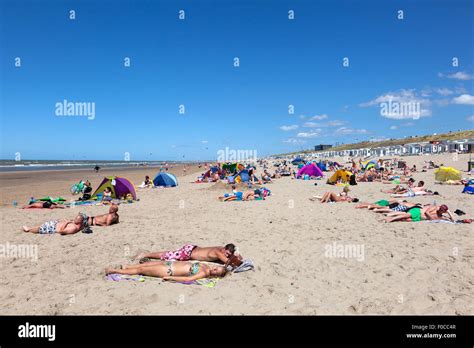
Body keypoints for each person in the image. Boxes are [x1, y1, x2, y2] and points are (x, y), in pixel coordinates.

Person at [105, 261, 227, 282]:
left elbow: (188, 279)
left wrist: (171, 278)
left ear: (216, 275)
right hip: (170, 264)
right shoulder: (206, 266)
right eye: (217, 267)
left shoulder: (204, 273)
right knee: (146, 264)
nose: (214, 269)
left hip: (169, 270)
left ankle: (114, 270)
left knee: (141, 270)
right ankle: (127, 267)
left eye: (216, 271)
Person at [137, 243, 241, 265]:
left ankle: (147, 254)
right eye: (226, 253)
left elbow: (229, 257)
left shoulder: (220, 248)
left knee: (169, 254)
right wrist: (237, 258)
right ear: (224, 249)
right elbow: (228, 262)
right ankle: (146, 254)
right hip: (188, 253)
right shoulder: (219, 252)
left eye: (228, 254)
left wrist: (234, 255)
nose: (226, 255)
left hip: (192, 248)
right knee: (166, 255)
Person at [385, 204, 454, 223]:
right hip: (418, 211)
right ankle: (391, 219)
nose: (440, 210)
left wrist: (449, 212)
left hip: (419, 218)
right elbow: (427, 212)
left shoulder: (441, 216)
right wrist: (432, 218)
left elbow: (452, 220)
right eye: (441, 208)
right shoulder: (435, 208)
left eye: (442, 210)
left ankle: (392, 218)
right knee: (406, 215)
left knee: (405, 220)